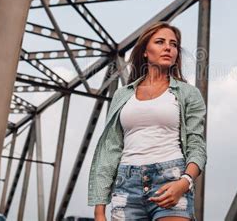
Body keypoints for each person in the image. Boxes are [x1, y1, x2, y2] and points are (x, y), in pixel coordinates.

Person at [88, 22, 207, 220]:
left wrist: (184, 182)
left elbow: (197, 145)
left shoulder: (188, 94)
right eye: (160, 42)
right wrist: (99, 210)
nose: (168, 47)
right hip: (126, 185)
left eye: (174, 44)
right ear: (145, 51)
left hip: (170, 179)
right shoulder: (122, 95)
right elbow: (110, 150)